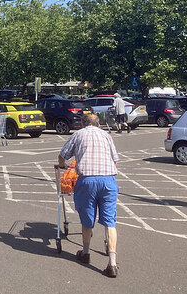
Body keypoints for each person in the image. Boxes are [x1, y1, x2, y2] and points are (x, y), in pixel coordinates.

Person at [58, 113, 120, 278]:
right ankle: (112, 263)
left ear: (82, 124)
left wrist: (63, 166)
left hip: (87, 181)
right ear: (98, 124)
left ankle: (85, 253)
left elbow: (63, 156)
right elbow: (115, 160)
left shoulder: (78, 134)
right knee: (110, 221)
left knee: (87, 219)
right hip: (108, 181)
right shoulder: (106, 135)